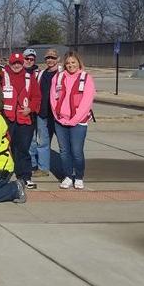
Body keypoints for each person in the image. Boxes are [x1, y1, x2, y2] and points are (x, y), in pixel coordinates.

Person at [51, 51, 95, 190]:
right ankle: (68, 176)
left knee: (76, 151)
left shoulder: (86, 78)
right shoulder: (58, 77)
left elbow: (86, 103)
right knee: (64, 151)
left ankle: (79, 176)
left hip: (78, 122)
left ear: (78, 63)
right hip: (60, 121)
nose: (70, 65)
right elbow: (53, 98)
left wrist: (74, 120)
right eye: (68, 63)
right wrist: (58, 116)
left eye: (73, 62)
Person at [2, 52, 41, 190]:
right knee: (5, 148)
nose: (17, 66)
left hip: (24, 118)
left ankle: (25, 176)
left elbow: (37, 97)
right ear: (10, 64)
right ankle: (4, 175)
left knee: (23, 148)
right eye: (14, 63)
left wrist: (30, 109)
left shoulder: (29, 78)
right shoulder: (3, 76)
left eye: (19, 63)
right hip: (7, 119)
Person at [29, 48, 60, 177]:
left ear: (58, 59)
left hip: (59, 115)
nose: (50, 60)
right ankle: (43, 168)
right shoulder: (41, 74)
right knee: (43, 142)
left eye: (53, 58)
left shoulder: (62, 74)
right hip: (43, 114)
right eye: (48, 58)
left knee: (64, 145)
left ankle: (69, 170)